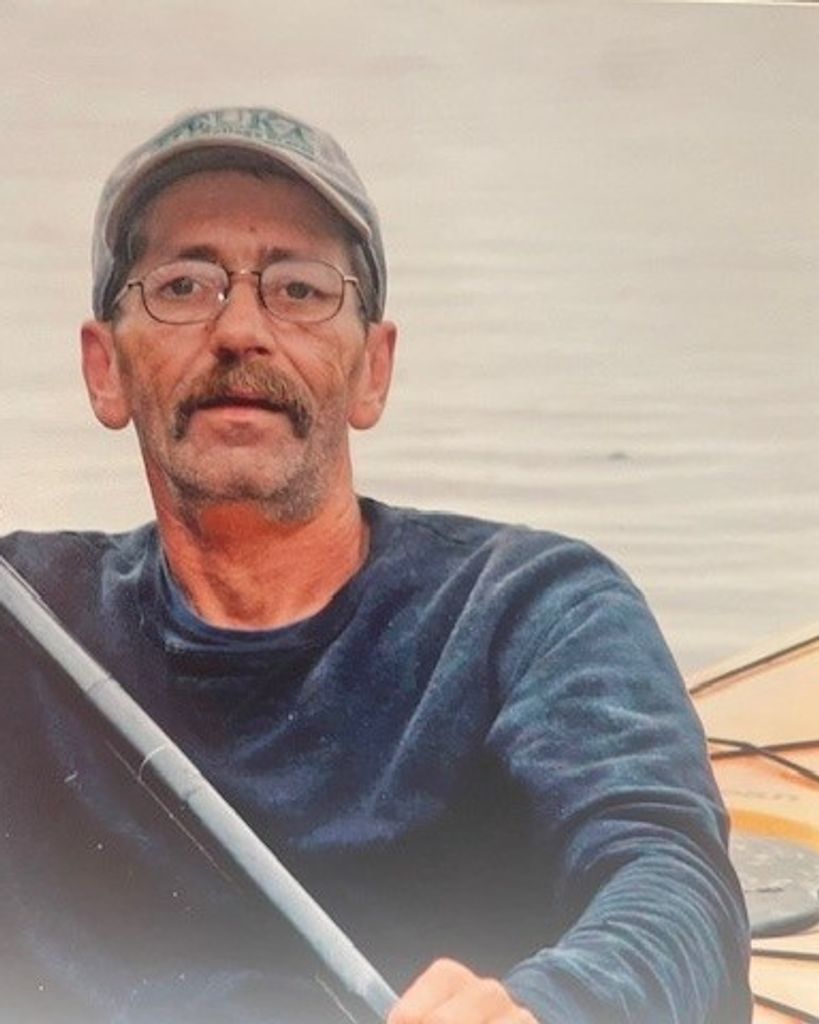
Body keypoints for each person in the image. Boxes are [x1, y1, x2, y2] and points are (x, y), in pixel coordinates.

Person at [0, 106, 751, 1024]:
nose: (240, 329)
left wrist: (550, 1007)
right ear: (104, 370)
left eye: (300, 289)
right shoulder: (22, 621)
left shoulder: (534, 610)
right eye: (184, 285)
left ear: (373, 371)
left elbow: (675, 883)